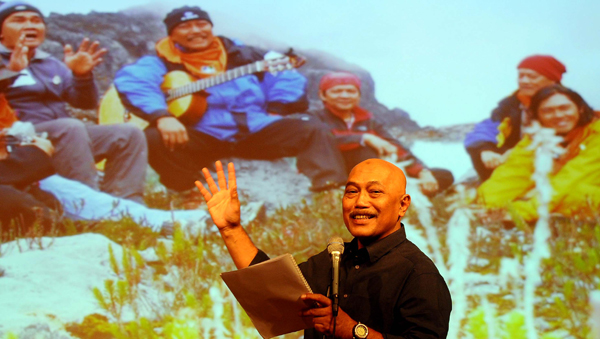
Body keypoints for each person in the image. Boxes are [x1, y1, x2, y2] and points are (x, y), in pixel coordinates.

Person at [196, 159, 452, 339]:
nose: (360, 202)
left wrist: (352, 331)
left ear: (403, 205)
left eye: (375, 192)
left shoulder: (419, 274)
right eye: (351, 192)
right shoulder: (335, 258)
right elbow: (270, 288)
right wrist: (230, 230)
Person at [113, 6, 347, 196]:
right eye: (184, 26)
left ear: (211, 27)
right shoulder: (161, 62)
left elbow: (287, 77)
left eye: (201, 24)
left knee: (311, 128)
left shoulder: (246, 55)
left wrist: (277, 108)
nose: (195, 30)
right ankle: (189, 193)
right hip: (204, 136)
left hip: (256, 130)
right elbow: (133, 82)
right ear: (171, 34)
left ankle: (330, 190)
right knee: (154, 137)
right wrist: (161, 116)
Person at [0, 1, 148, 203]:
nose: (30, 26)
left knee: (128, 133)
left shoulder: (50, 63)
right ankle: (86, 204)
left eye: (36, 21)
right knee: (70, 128)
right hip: (16, 138)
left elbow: (85, 104)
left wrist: (82, 76)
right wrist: (10, 73)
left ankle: (127, 204)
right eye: (18, 21)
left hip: (66, 136)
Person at [308, 71, 454, 196]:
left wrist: (422, 171)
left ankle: (407, 198)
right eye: (337, 91)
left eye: (351, 91)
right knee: (365, 152)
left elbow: (394, 145)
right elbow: (321, 140)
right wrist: (364, 138)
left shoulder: (369, 120)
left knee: (442, 176)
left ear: (358, 95)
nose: (345, 95)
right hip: (338, 173)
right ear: (323, 95)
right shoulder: (312, 117)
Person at [477, 85, 600, 221]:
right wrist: (486, 204)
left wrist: (520, 212)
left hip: (580, 188)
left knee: (578, 195)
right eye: (548, 111)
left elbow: (572, 178)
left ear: (580, 109)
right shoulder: (535, 138)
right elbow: (513, 175)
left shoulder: (596, 134)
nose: (558, 115)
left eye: (565, 108)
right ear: (537, 116)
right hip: (558, 192)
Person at [464, 55, 567, 182]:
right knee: (479, 149)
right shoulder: (512, 105)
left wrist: (518, 152)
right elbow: (485, 129)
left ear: (552, 80)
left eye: (532, 76)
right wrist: (485, 149)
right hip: (516, 159)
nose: (524, 81)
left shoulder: (567, 105)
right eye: (521, 76)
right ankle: (494, 186)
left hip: (552, 159)